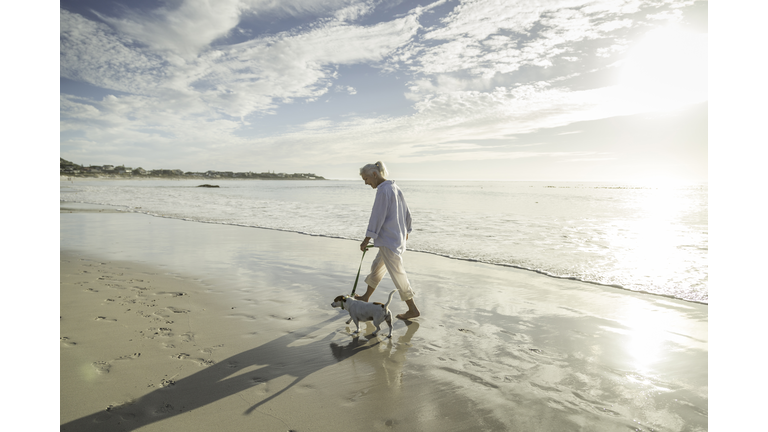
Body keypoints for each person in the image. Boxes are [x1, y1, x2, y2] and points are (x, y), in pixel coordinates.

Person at [357, 161, 420, 320]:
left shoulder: (383, 191)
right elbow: (407, 212)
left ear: (374, 174)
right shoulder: (395, 187)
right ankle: (365, 297)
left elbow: (376, 217)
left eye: (366, 179)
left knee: (398, 274)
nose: (366, 182)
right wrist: (407, 230)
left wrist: (366, 239)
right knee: (377, 267)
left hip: (389, 240)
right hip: (394, 238)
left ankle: (412, 309)